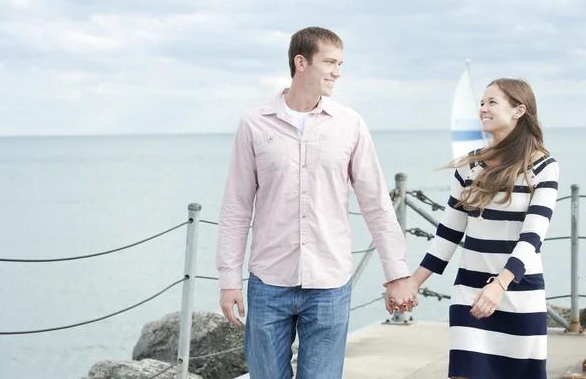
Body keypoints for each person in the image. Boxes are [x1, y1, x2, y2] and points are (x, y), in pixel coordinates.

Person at [215, 26, 417, 379]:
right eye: (330, 62)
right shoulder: (253, 124)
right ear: (301, 62)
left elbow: (376, 204)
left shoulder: (350, 125)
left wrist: (397, 272)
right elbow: (236, 207)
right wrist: (229, 279)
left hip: (329, 284)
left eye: (340, 63)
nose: (338, 72)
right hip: (268, 282)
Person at [409, 78, 559, 379]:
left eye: (492, 102)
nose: (483, 109)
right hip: (470, 292)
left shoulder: (542, 167)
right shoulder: (470, 165)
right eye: (481, 103)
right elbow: (448, 234)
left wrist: (499, 285)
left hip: (518, 293)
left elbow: (531, 239)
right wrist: (412, 283)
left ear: (519, 110)